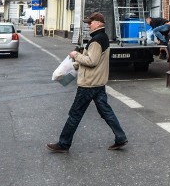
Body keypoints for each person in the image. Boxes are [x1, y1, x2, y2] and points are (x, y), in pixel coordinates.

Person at [47, 12, 128, 153]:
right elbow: (96, 60)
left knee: (75, 114)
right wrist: (76, 64)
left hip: (88, 84)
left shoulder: (96, 40)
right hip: (98, 83)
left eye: (90, 23)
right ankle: (120, 137)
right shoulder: (103, 37)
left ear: (98, 23)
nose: (88, 25)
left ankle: (63, 143)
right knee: (106, 112)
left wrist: (75, 55)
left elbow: (92, 61)